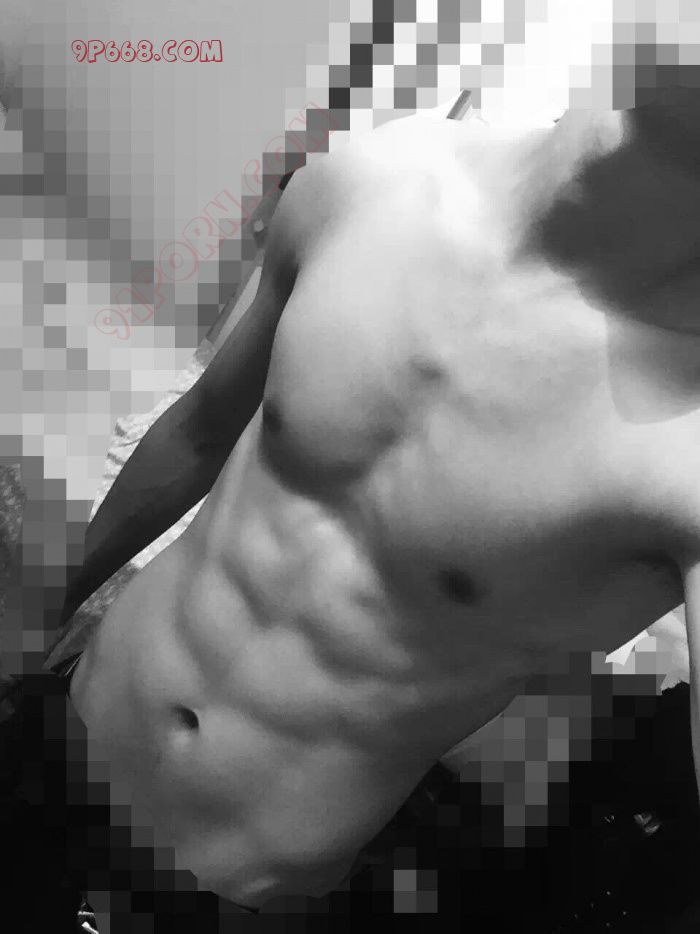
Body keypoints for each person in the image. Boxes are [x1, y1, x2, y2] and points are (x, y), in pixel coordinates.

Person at [48, 88, 700, 909]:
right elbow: (199, 432)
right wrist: (33, 617)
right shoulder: (380, 179)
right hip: (65, 726)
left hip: (214, 886)